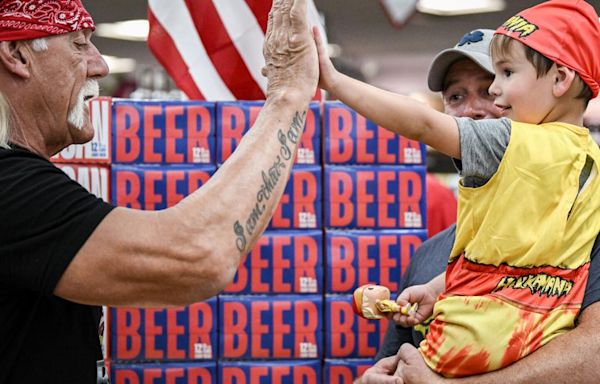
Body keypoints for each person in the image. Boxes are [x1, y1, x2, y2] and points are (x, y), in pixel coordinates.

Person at [0, 0, 318, 382]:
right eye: (79, 44)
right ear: (17, 54)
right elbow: (199, 255)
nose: (99, 65)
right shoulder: (10, 186)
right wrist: (287, 96)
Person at [315, 0, 600, 379]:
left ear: (560, 81)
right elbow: (505, 265)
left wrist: (332, 80)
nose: (485, 103)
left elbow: (422, 126)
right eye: (455, 98)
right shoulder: (434, 254)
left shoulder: (517, 142)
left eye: (501, 78)